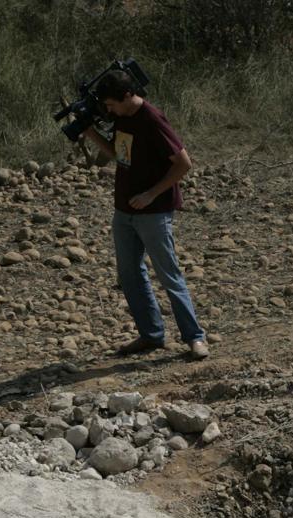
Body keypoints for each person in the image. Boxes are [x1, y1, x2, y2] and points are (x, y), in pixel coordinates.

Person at [83, 70, 209, 360]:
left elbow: (183, 163)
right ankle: (151, 335)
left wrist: (152, 193)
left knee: (169, 275)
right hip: (124, 209)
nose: (108, 110)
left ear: (127, 96)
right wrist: (90, 134)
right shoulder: (122, 117)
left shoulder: (152, 119)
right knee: (130, 275)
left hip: (153, 211)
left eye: (111, 104)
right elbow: (119, 154)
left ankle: (195, 338)